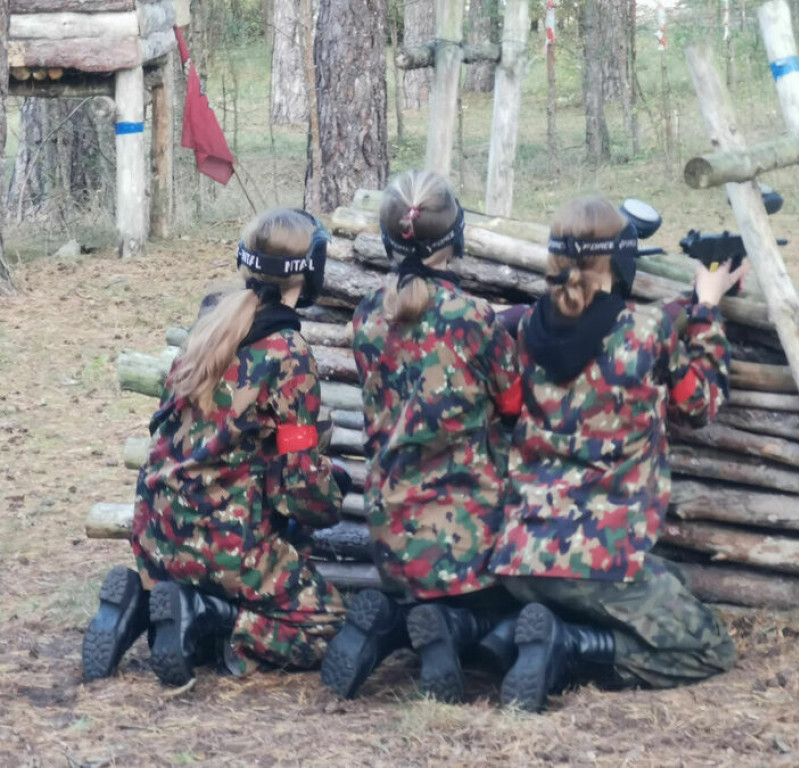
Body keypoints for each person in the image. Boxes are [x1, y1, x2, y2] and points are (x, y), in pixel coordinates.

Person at [490, 196, 744, 712]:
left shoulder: (521, 329)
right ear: (622, 258)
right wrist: (707, 308)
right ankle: (573, 648)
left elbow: (577, 342)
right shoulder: (646, 334)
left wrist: (687, 302)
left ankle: (495, 632)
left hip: (518, 556)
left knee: (672, 579)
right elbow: (701, 403)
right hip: (598, 560)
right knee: (709, 645)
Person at [82, 208, 352, 685]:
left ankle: (138, 605)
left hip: (153, 532)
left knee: (244, 559)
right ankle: (206, 613)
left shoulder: (209, 326)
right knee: (325, 625)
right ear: (308, 269)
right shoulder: (287, 353)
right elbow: (301, 487)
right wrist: (336, 495)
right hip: (222, 545)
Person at [321, 170, 522, 703]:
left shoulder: (366, 317)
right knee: (510, 613)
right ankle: (450, 631)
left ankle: (388, 621)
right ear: (456, 238)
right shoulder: (475, 318)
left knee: (417, 601)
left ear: (388, 240)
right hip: (472, 539)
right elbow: (512, 405)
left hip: (390, 531)